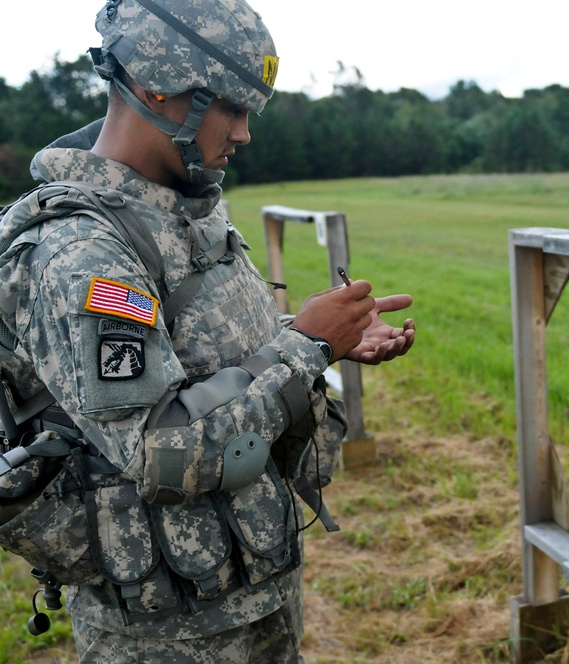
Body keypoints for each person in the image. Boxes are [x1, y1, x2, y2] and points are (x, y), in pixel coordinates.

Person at [0, 0, 415, 661]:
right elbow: (163, 447)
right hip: (165, 634)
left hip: (250, 587)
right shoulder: (82, 252)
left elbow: (185, 357)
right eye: (231, 106)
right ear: (154, 87)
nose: (244, 133)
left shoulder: (177, 213)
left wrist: (325, 340)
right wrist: (305, 348)